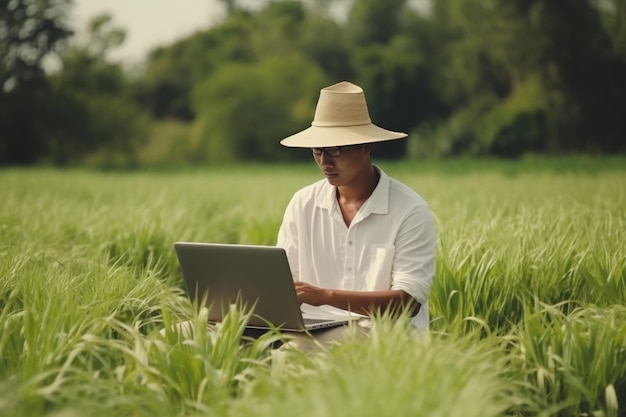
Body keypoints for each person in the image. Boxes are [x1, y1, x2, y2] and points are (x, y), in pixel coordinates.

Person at [275, 81, 437, 350]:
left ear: (367, 146)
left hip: (379, 333)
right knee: (192, 333)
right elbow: (283, 282)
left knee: (291, 353)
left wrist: (325, 296)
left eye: (336, 150)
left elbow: (408, 302)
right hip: (311, 325)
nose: (325, 161)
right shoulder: (302, 203)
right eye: (317, 151)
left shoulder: (410, 210)